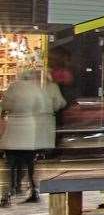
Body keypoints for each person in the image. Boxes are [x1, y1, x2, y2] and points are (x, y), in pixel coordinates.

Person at [1, 68, 65, 205]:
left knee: (11, 162)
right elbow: (44, 107)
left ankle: (9, 192)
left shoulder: (13, 87)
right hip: (30, 129)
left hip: (14, 129)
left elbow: (5, 104)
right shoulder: (37, 90)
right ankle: (33, 190)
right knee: (29, 163)